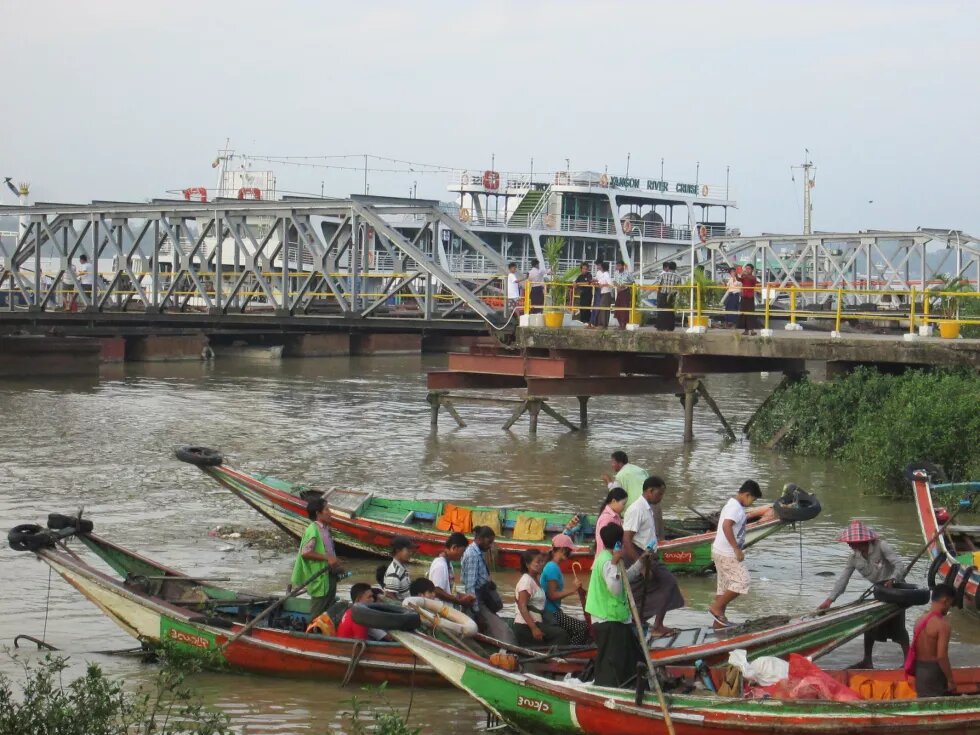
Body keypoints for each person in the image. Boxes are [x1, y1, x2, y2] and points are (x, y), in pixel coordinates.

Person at [818, 520, 909, 668]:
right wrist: (830, 600)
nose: (849, 545)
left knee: (898, 629)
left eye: (852, 542)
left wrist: (893, 579)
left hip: (896, 590)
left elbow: (899, 565)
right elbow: (843, 579)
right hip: (880, 592)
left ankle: (908, 661)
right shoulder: (854, 559)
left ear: (862, 541)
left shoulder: (881, 546)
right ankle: (868, 660)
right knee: (870, 626)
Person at [585, 523, 646, 687]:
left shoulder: (612, 559)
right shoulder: (607, 562)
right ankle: (609, 689)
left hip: (616, 618)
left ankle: (632, 684)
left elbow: (625, 578)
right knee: (612, 661)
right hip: (607, 619)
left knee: (630, 655)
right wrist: (614, 564)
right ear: (619, 542)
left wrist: (641, 562)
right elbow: (616, 588)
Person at [622, 476, 685, 636]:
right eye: (660, 494)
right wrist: (641, 566)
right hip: (639, 556)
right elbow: (627, 541)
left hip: (649, 556)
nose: (661, 498)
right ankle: (653, 625)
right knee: (665, 583)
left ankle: (647, 623)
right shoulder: (637, 509)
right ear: (650, 491)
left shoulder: (648, 508)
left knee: (656, 587)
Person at [708, 480, 763, 628]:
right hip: (727, 553)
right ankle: (716, 608)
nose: (752, 503)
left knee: (724, 586)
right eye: (753, 499)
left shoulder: (731, 504)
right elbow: (727, 526)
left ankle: (718, 623)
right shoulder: (736, 508)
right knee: (742, 581)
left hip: (718, 551)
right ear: (747, 495)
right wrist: (736, 549)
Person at [462, 526, 516, 644]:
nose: (491, 546)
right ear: (480, 539)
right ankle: (508, 651)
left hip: (483, 597)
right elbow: (470, 587)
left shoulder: (478, 552)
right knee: (505, 632)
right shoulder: (473, 555)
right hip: (477, 600)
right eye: (489, 542)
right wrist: (477, 612)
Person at [291, 496, 343, 620]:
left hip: (329, 574)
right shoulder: (313, 530)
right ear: (318, 513)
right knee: (318, 613)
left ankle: (325, 633)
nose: (330, 513)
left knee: (328, 611)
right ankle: (311, 635)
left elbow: (328, 551)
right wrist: (327, 558)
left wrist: (336, 565)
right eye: (327, 510)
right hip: (320, 577)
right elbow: (306, 552)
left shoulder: (325, 529)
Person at [906, 584, 955, 698]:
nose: (949, 608)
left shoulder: (919, 620)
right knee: (938, 705)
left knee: (924, 703)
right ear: (945, 600)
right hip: (934, 672)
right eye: (950, 604)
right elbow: (941, 656)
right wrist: (950, 680)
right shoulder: (942, 625)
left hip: (920, 671)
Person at [514, 550, 570, 647]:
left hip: (536, 623)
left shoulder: (535, 579)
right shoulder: (526, 581)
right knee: (561, 634)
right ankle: (553, 659)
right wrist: (534, 628)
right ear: (527, 564)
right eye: (538, 562)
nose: (541, 564)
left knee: (561, 630)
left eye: (542, 561)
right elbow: (522, 607)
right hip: (525, 626)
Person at [541, 534, 590, 645]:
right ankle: (570, 651)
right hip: (551, 613)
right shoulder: (552, 567)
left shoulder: (553, 566)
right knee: (583, 628)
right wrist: (573, 589)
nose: (571, 554)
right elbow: (552, 595)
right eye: (569, 551)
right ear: (563, 549)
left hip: (555, 611)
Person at [428, 532, 476, 607]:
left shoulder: (448, 564)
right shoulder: (440, 565)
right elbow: (436, 590)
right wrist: (459, 601)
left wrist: (462, 596)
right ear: (454, 548)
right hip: (439, 610)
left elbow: (449, 590)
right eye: (462, 552)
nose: (462, 555)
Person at [594, 486, 628, 554]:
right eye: (623, 504)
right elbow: (604, 543)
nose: (624, 507)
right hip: (607, 557)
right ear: (613, 501)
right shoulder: (606, 518)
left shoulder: (615, 515)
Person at [383, 536, 415, 601]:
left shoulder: (402, 567)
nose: (410, 553)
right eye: (408, 551)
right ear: (398, 550)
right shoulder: (394, 571)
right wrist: (402, 607)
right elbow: (389, 595)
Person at [654, 261, 682, 331]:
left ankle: (661, 327)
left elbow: (658, 285)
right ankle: (670, 327)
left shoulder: (663, 275)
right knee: (670, 311)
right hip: (672, 296)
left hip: (662, 295)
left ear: (668, 267)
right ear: (675, 268)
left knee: (661, 311)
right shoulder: (678, 277)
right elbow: (679, 288)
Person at [735, 263, 758, 335]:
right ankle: (746, 330)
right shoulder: (744, 276)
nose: (747, 270)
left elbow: (752, 281)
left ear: (752, 270)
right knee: (744, 314)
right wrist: (736, 273)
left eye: (749, 269)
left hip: (750, 297)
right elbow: (739, 279)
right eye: (746, 268)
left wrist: (744, 274)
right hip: (744, 296)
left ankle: (752, 330)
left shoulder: (753, 277)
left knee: (751, 314)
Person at [612, 260, 635, 329]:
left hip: (625, 292)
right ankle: (620, 324)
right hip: (619, 292)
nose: (618, 267)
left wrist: (624, 285)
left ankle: (624, 324)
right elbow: (614, 281)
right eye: (617, 265)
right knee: (617, 308)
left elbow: (633, 282)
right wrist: (617, 285)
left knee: (624, 310)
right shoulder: (616, 273)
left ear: (623, 266)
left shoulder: (628, 273)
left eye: (619, 265)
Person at [593, 261, 614, 328]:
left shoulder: (606, 274)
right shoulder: (603, 274)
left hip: (606, 293)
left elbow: (611, 284)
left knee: (604, 309)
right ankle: (600, 323)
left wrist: (603, 285)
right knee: (601, 309)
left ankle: (604, 324)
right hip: (602, 293)